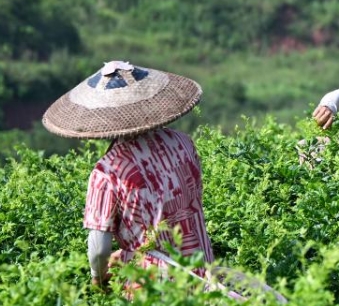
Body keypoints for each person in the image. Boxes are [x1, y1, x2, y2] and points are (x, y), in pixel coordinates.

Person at [41, 60, 214, 291]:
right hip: (202, 272)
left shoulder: (107, 170)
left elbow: (100, 249)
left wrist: (98, 277)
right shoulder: (184, 143)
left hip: (152, 286)